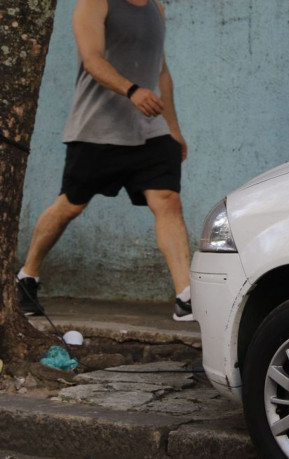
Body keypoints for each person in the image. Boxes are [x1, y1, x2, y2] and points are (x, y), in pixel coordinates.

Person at [16, 0, 193, 321]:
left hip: (149, 131)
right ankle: (28, 275)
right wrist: (133, 90)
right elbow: (92, 59)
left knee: (168, 201)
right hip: (97, 129)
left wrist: (173, 129)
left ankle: (186, 297)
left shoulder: (156, 8)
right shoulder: (94, 4)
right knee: (70, 205)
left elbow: (162, 71)